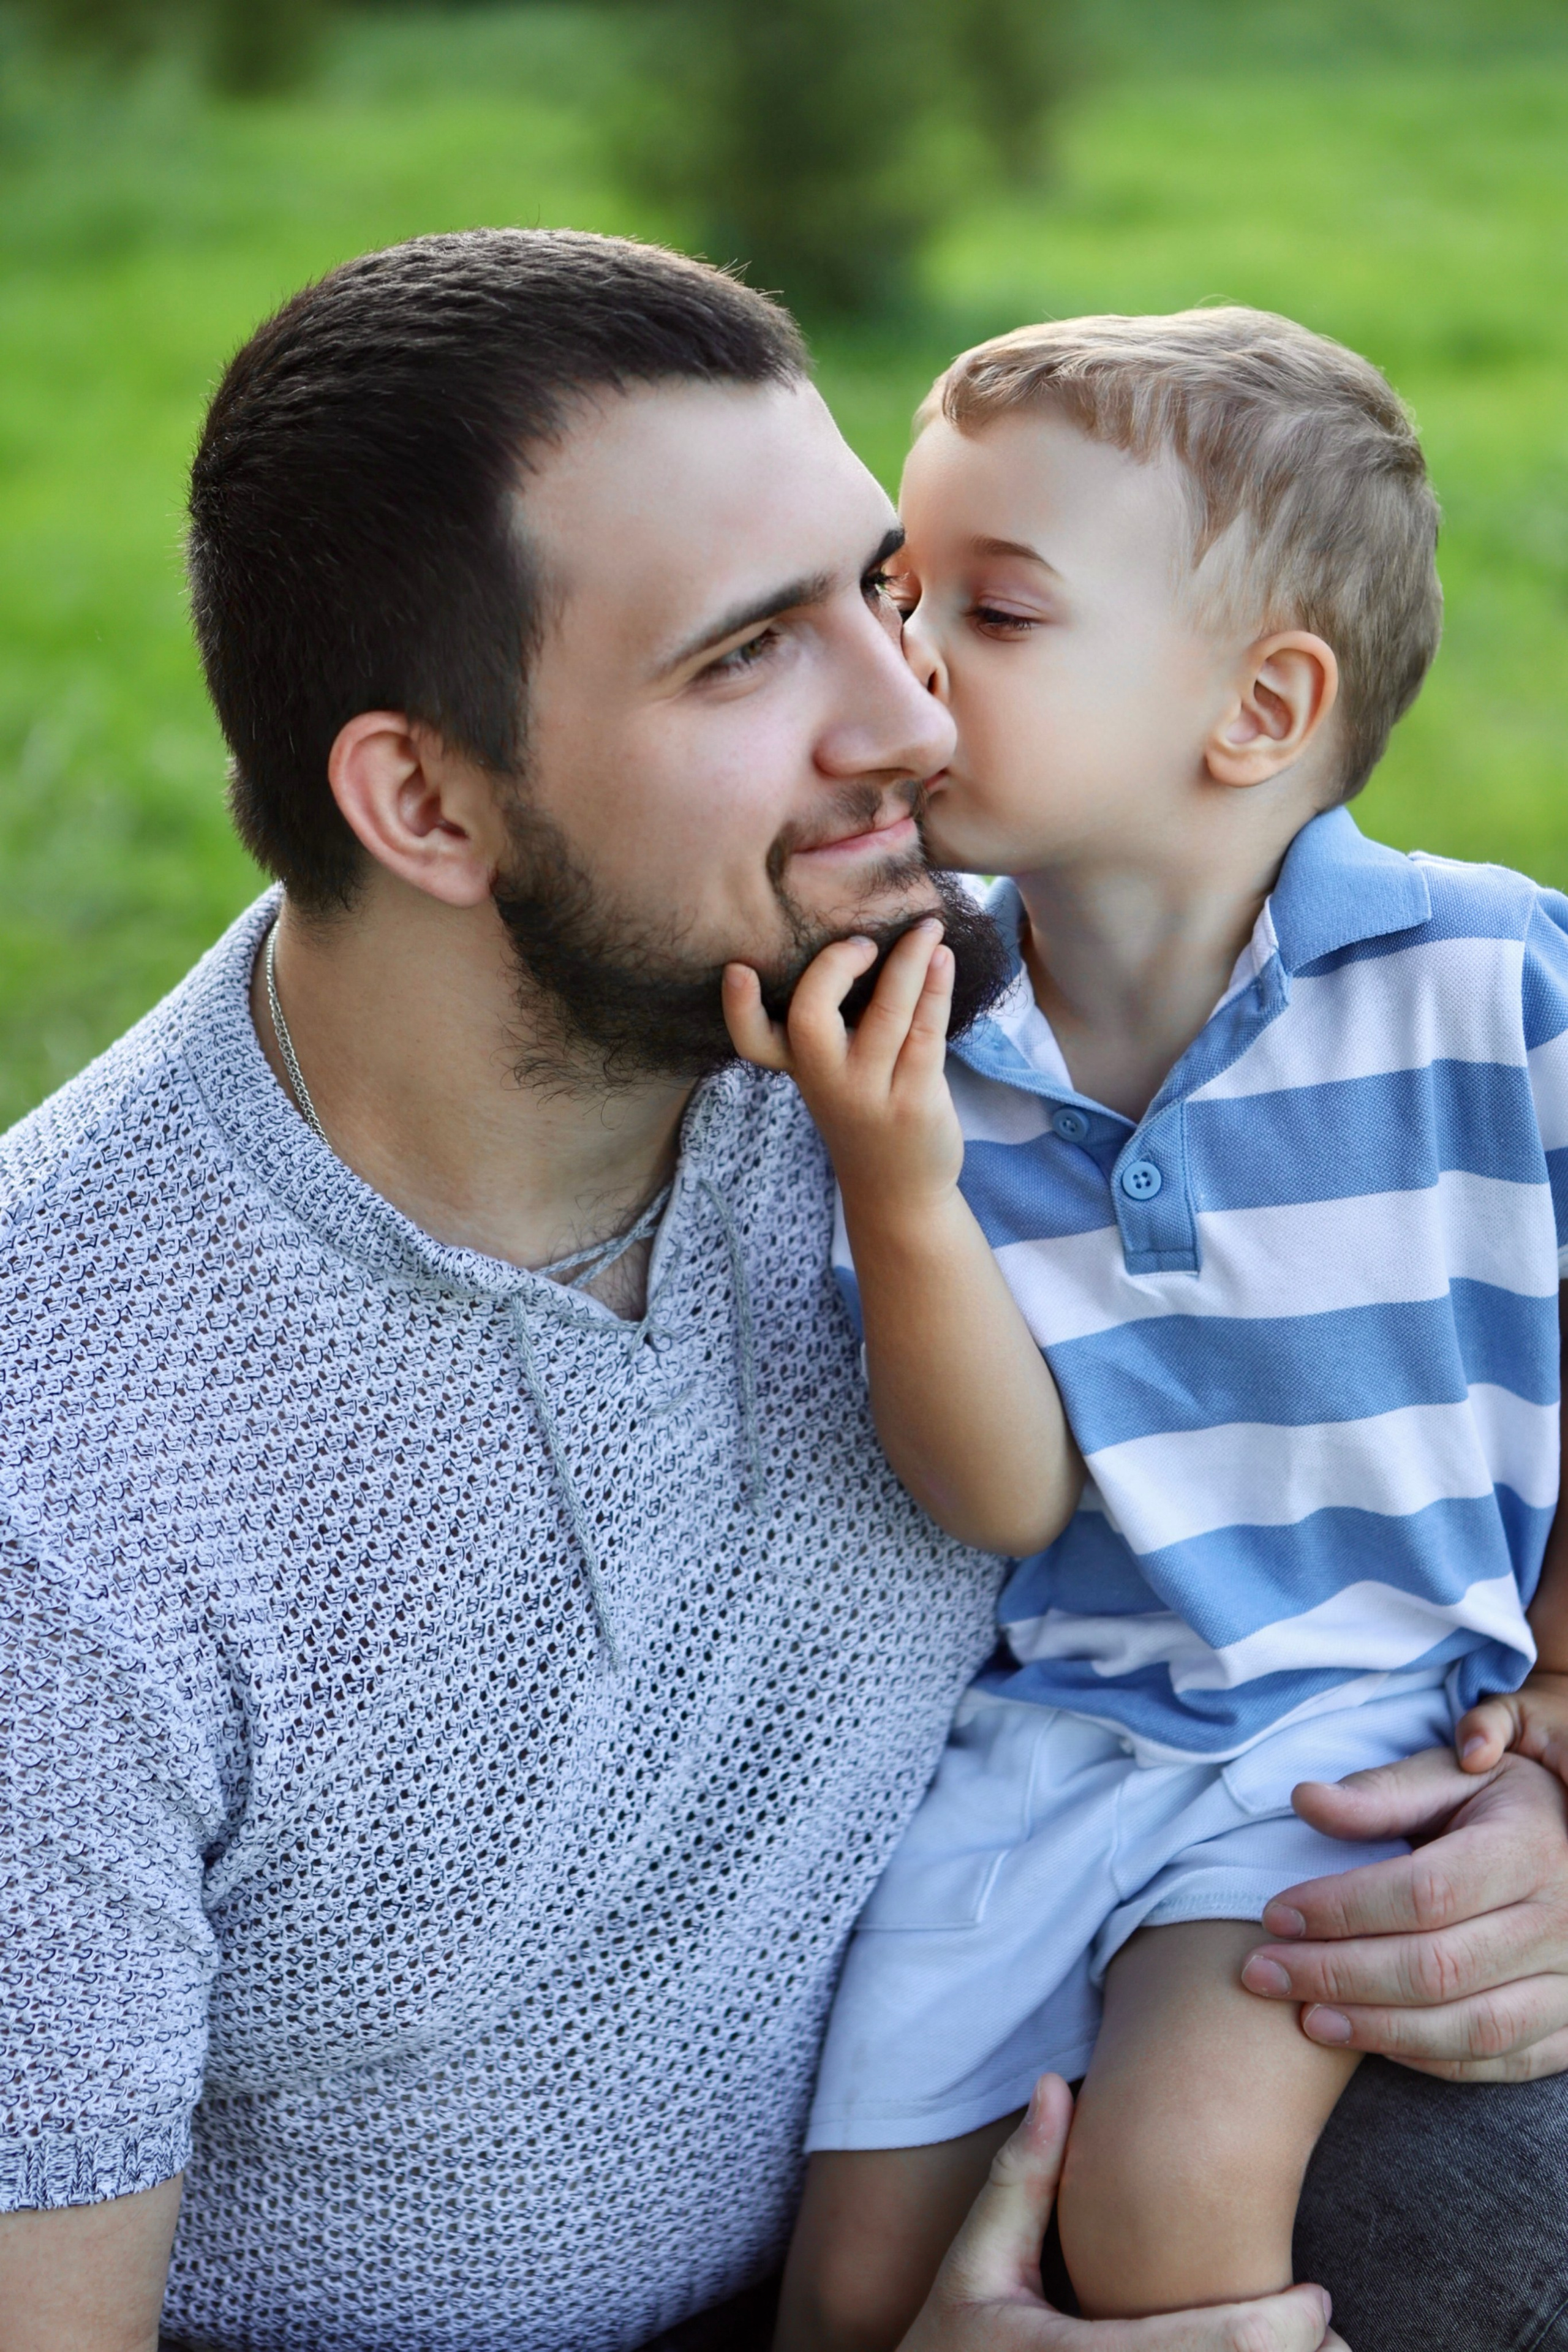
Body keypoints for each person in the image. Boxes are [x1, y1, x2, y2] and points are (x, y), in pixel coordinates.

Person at [0, 239, 1564, 2352]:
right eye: (750, 657)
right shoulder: (62, 1487)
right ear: (425, 802)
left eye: (888, 590)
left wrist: (1538, 1776)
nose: (916, 717)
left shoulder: (966, 1019)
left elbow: (1426, 1300)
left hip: (1081, 2033)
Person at [722, 307, 1568, 2345]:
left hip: (1341, 1739)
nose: (903, 664)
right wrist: (901, 1190)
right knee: (849, 2296)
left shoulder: (1490, 987)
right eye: (900, 594)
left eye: (994, 614)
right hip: (1032, 1752)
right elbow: (1004, 1495)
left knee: (1173, 2203)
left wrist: (1554, 1693)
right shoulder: (928, 1036)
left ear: (1260, 707)